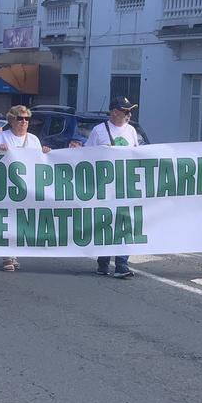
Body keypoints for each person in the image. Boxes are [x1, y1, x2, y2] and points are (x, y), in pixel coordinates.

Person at [0, 105, 51, 272]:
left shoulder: (33, 140)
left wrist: (46, 153)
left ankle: (14, 253)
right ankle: (6, 255)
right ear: (12, 120)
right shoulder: (1, 138)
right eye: (20, 118)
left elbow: (40, 162)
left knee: (20, 220)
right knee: (6, 220)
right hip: (6, 186)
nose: (24, 122)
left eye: (26, 119)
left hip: (26, 188)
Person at [85, 96, 140, 278]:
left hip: (125, 184)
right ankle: (103, 261)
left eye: (130, 111)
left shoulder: (131, 131)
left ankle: (122, 264)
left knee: (124, 222)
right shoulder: (99, 131)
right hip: (105, 186)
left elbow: (138, 154)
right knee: (106, 223)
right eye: (126, 111)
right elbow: (86, 155)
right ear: (114, 112)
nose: (129, 114)